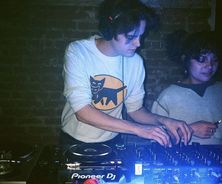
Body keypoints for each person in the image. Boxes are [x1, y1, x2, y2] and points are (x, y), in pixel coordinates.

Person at [60, 0, 192, 149]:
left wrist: (164, 121)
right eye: (131, 37)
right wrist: (137, 129)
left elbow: (135, 110)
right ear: (110, 29)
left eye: (141, 36)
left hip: (113, 140)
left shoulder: (135, 62)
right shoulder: (78, 51)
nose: (138, 43)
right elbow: (83, 111)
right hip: (75, 140)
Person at [151, 31, 222, 145]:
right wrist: (191, 129)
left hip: (221, 158)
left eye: (214, 60)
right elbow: (156, 139)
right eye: (202, 59)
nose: (210, 66)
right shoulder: (169, 95)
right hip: (182, 159)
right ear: (186, 60)